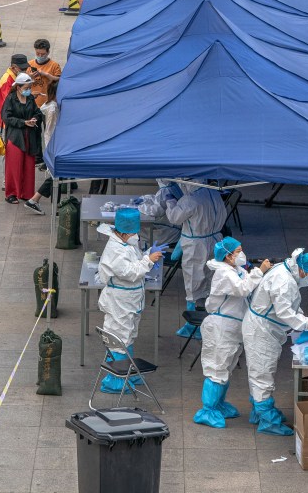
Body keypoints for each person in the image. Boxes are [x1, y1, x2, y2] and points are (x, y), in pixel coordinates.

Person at [242, 249, 308, 435]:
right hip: (261, 330)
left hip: (266, 327)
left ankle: (260, 410)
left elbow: (289, 306)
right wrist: (306, 324)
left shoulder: (287, 270)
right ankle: (266, 420)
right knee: (262, 372)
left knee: (260, 370)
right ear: (302, 270)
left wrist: (303, 319)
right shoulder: (284, 281)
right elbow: (284, 312)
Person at [194, 238, 271, 429]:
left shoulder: (236, 270)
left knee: (226, 367)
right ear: (228, 256)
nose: (241, 253)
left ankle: (218, 403)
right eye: (238, 251)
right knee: (217, 368)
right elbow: (243, 288)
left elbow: (248, 282)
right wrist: (259, 271)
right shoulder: (223, 273)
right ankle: (207, 410)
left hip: (233, 327)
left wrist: (259, 274)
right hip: (221, 327)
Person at [97, 208, 165, 393]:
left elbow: (134, 261)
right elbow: (130, 272)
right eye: (135, 231)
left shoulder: (126, 244)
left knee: (128, 335)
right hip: (120, 301)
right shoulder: (115, 249)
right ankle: (116, 380)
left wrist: (149, 254)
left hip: (129, 301)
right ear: (126, 232)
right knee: (119, 337)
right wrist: (148, 261)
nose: (137, 234)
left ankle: (128, 372)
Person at [164, 180, 228, 338]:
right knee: (210, 280)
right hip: (215, 241)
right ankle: (211, 318)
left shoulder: (190, 199)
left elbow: (174, 218)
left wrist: (170, 201)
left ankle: (194, 326)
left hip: (195, 245)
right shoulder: (213, 193)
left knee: (194, 283)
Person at [1, 73, 42, 204]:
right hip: (15, 137)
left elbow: (37, 111)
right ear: (18, 87)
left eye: (29, 87)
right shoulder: (11, 99)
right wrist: (23, 122)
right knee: (14, 165)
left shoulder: (30, 98)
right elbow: (6, 117)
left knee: (29, 165)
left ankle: (26, 193)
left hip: (29, 136)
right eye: (26, 87)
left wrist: (35, 118)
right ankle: (11, 193)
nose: (28, 89)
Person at [23, 81, 59, 215]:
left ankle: (39, 201)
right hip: (53, 145)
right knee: (56, 176)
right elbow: (50, 129)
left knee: (56, 176)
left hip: (51, 144)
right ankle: (35, 199)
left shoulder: (48, 104)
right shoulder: (53, 108)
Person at [26, 39, 62, 110]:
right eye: (37, 53)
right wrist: (29, 77)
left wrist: (46, 74)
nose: (40, 56)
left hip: (47, 103)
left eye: (43, 54)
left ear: (48, 52)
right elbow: (22, 84)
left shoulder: (54, 65)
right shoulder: (29, 64)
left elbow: (59, 80)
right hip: (32, 103)